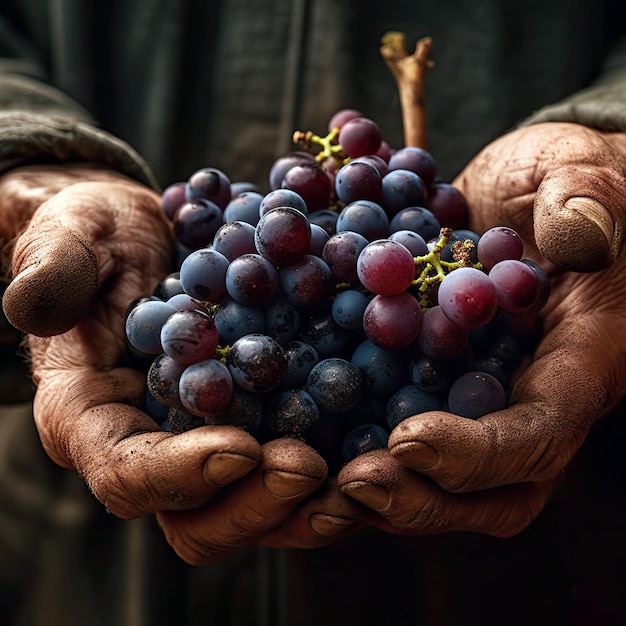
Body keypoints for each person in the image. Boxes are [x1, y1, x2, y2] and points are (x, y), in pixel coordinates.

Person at [2, 1, 626, 624]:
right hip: (92, 555)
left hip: (543, 557)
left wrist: (613, 131)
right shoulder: (241, 299)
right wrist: (24, 160)